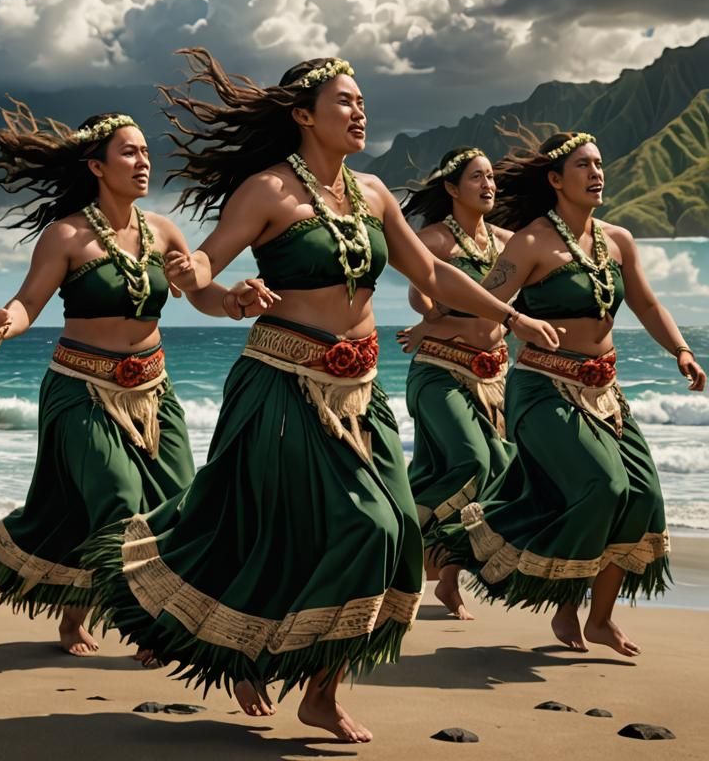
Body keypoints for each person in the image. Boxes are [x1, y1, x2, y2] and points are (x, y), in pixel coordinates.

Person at [85, 50, 560, 743]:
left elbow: (429, 269)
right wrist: (209, 285)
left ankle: (319, 691)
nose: (360, 111)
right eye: (345, 101)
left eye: (363, 101)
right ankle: (250, 649)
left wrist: (512, 318)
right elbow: (207, 268)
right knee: (303, 527)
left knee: (394, 531)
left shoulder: (372, 194)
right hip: (282, 382)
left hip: (360, 388)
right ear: (304, 115)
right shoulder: (267, 190)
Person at [0, 104, 274, 657]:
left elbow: (198, 291)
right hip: (81, 388)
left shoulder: (163, 231)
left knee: (178, 502)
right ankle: (144, 625)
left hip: (154, 389)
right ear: (97, 166)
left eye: (146, 152)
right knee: (116, 498)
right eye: (129, 152)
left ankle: (90, 612)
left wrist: (233, 302)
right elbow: (28, 303)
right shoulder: (66, 235)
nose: (143, 161)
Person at [428, 130, 705, 656]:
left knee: (642, 496)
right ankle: (528, 582)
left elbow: (646, 305)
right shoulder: (531, 242)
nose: (597, 173)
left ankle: (598, 619)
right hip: (543, 389)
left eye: (600, 164)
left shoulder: (618, 240)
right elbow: (483, 302)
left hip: (606, 389)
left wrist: (680, 351)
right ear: (556, 180)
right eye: (584, 165)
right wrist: (449, 326)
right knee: (605, 487)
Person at [398, 148, 515, 620]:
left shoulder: (509, 244)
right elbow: (422, 300)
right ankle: (399, 540)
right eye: (476, 178)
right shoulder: (430, 242)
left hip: (495, 379)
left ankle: (447, 580)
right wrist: (438, 326)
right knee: (473, 460)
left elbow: (509, 319)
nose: (488, 185)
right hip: (439, 374)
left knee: (498, 470)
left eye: (491, 178)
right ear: (451, 189)